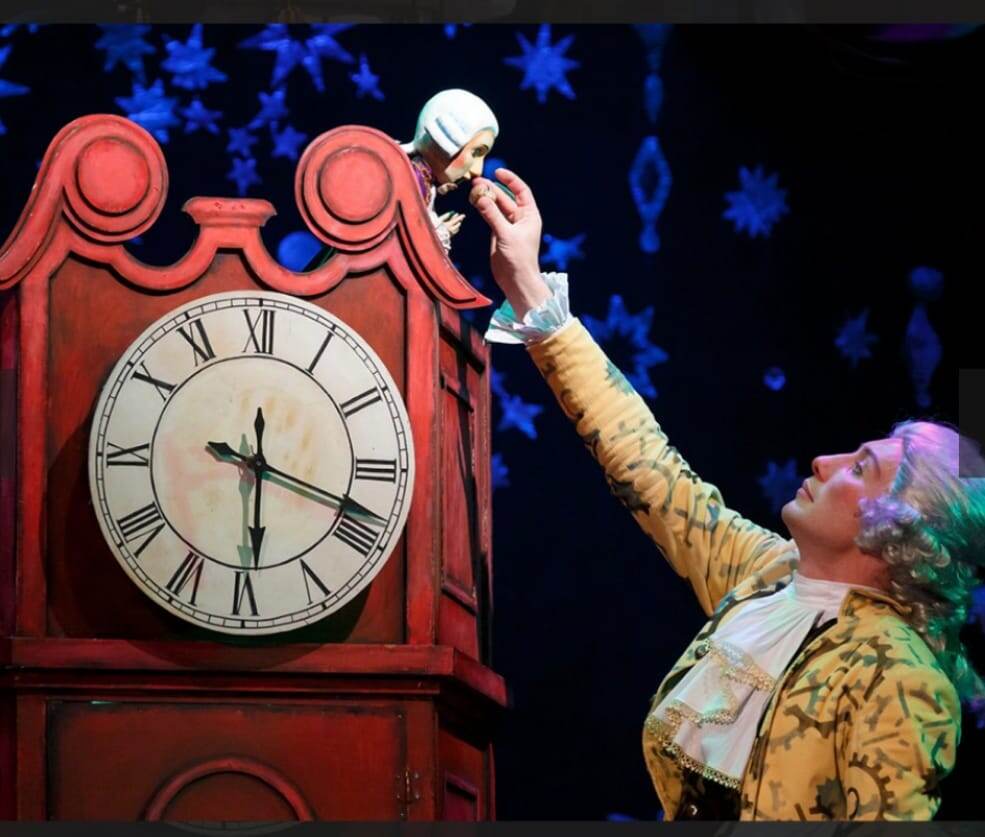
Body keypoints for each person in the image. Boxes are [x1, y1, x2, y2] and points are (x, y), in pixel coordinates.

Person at [469, 168, 985, 820]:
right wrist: (528, 286)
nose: (823, 462)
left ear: (898, 528)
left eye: (860, 468)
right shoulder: (766, 575)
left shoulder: (902, 678)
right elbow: (650, 470)